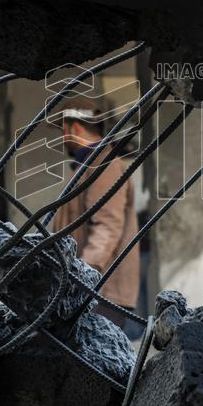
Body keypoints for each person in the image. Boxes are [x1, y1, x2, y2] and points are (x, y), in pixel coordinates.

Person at [50, 99, 139, 335]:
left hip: (100, 291)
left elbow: (107, 226)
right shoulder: (89, 165)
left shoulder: (104, 165)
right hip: (91, 289)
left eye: (63, 130)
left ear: (74, 128)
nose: (62, 137)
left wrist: (82, 275)